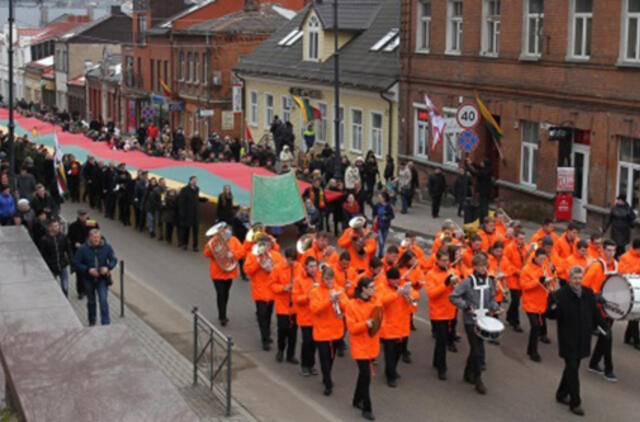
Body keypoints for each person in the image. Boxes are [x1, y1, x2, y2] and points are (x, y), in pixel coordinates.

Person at [546, 266, 610, 416]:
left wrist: (604, 327)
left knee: (571, 368)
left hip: (583, 338)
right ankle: (575, 402)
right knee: (573, 369)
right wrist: (553, 304)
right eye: (575, 278)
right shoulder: (560, 294)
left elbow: (595, 312)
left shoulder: (587, 293)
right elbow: (550, 315)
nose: (577, 281)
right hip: (568, 339)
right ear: (569, 279)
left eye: (580, 278)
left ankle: (561, 394)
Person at [449, 253, 499, 395]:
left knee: (476, 348)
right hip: (471, 320)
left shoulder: (490, 281)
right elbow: (453, 296)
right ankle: (478, 380)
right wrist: (465, 306)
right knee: (478, 350)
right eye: (481, 266)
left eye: (485, 266)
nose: (484, 269)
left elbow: (491, 299)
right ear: (475, 267)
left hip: (485, 320)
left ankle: (467, 373)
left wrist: (496, 307)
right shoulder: (467, 282)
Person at [582, 239, 618, 382]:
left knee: (604, 336)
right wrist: (596, 295)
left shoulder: (616, 265)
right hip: (595, 308)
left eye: (613, 250)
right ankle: (609, 370)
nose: (611, 253)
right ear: (603, 250)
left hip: (609, 307)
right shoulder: (597, 266)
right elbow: (584, 286)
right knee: (608, 336)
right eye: (608, 250)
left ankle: (593, 363)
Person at [346, 277, 380, 421]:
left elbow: (380, 320)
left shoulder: (376, 302)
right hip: (359, 346)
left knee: (363, 375)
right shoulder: (352, 305)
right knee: (366, 376)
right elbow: (352, 328)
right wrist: (365, 324)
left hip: (371, 344)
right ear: (363, 289)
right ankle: (367, 408)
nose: (374, 289)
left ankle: (356, 399)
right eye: (371, 287)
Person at [310, 264, 346, 396]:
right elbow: (315, 309)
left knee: (331, 357)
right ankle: (328, 382)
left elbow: (346, 307)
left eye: (331, 279)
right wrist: (328, 300)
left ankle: (327, 375)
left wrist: (339, 300)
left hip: (336, 329)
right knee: (324, 357)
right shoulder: (315, 292)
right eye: (326, 279)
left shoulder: (339, 289)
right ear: (322, 279)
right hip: (322, 330)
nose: (329, 282)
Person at [244, 235, 282, 350]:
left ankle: (267, 334)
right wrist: (258, 262)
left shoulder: (276, 255)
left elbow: (280, 270)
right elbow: (247, 270)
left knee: (269, 315)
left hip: (271, 291)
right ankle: (264, 339)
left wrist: (272, 266)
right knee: (262, 315)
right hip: (259, 291)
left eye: (267, 245)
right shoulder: (253, 255)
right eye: (263, 245)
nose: (265, 247)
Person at [73, 229, 117, 326]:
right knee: (91, 301)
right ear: (90, 238)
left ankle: (105, 323)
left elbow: (113, 259)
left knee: (103, 300)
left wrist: (108, 268)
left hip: (102, 278)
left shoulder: (107, 247)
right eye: (94, 237)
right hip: (88, 279)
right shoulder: (83, 249)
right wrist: (88, 269)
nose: (96, 239)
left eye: (98, 237)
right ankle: (92, 321)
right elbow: (76, 262)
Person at [203, 222, 245, 326]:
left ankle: (223, 310)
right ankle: (222, 316)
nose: (227, 232)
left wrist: (233, 254)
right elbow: (206, 254)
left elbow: (242, 252)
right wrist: (214, 248)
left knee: (226, 293)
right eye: (224, 230)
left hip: (229, 272)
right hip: (217, 273)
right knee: (220, 294)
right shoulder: (214, 241)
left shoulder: (234, 240)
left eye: (228, 230)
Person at [425, 248, 457, 380]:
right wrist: (445, 284)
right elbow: (432, 294)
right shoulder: (431, 275)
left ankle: (436, 361)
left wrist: (456, 284)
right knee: (442, 340)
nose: (446, 263)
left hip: (450, 310)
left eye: (447, 260)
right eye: (443, 261)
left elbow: (458, 289)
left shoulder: (452, 271)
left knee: (441, 340)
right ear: (437, 261)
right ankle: (442, 368)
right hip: (438, 312)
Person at [269, 248, 300, 364]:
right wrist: (283, 288)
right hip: (282, 305)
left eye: (294, 260)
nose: (293, 263)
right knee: (282, 330)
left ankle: (290, 355)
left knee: (293, 332)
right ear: (286, 258)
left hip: (295, 306)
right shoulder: (277, 268)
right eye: (291, 260)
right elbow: (272, 285)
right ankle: (281, 350)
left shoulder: (299, 267)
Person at [520, 248, 551, 362]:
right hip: (530, 303)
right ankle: (533, 352)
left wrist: (550, 281)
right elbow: (524, 286)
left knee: (537, 327)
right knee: (535, 326)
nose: (543, 261)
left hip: (541, 302)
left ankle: (531, 350)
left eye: (544, 259)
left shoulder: (545, 267)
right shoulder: (526, 269)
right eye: (541, 259)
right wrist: (538, 281)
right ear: (535, 257)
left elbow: (550, 282)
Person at [293, 256, 320, 376]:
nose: (313, 269)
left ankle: (311, 364)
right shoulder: (299, 280)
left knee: (314, 342)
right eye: (311, 266)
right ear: (306, 267)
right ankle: (304, 365)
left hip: (317, 316)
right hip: (305, 316)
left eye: (315, 266)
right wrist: (308, 296)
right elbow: (296, 298)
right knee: (307, 341)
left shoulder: (319, 277)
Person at [38, 219, 72, 296]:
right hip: (51, 266)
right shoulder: (44, 239)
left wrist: (70, 260)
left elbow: (68, 250)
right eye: (53, 226)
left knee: (65, 286)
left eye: (57, 226)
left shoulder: (63, 237)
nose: (56, 228)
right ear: (49, 227)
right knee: (53, 287)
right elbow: (42, 254)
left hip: (62, 265)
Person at [619, 238, 640, 350]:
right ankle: (636, 340)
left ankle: (628, 337)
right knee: (636, 313)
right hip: (629, 288)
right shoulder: (625, 257)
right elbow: (624, 272)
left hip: (638, 288)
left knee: (635, 314)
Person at [178, 176, 201, 251]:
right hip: (187, 213)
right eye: (193, 180)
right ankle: (185, 244)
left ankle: (195, 246)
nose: (195, 182)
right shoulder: (184, 189)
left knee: (195, 230)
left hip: (195, 213)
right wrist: (182, 213)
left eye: (196, 180)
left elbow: (196, 199)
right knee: (186, 230)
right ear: (190, 181)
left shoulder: (197, 189)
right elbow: (181, 202)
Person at [372, 192, 394, 258]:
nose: (379, 199)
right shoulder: (376, 206)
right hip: (378, 226)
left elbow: (392, 216)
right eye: (378, 198)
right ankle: (381, 255)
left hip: (385, 226)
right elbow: (374, 214)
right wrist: (375, 218)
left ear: (384, 198)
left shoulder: (388, 206)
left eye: (380, 198)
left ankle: (380, 253)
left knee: (383, 241)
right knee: (381, 241)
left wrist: (386, 218)